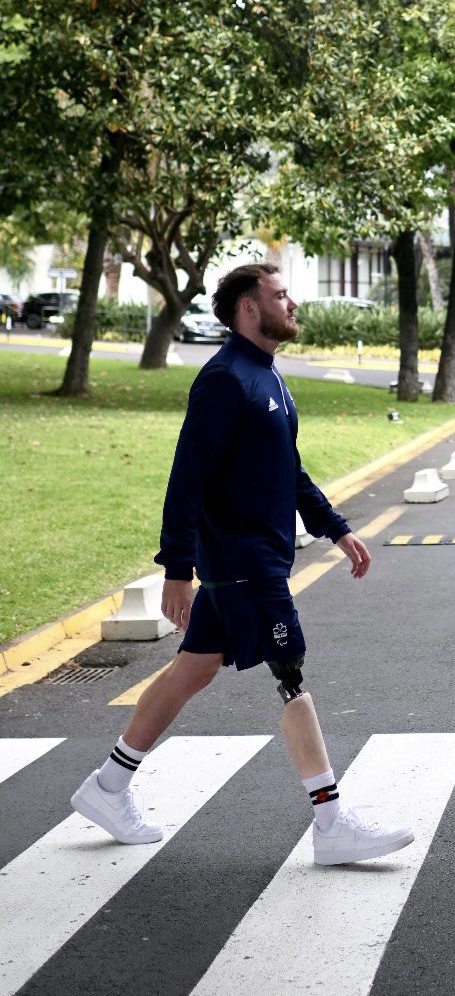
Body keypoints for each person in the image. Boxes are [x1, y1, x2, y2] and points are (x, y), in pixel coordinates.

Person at [71, 262, 414, 864]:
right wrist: (179, 568)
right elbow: (188, 477)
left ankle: (107, 786)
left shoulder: (267, 378)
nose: (293, 303)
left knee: (193, 670)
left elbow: (289, 468)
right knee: (290, 670)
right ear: (250, 309)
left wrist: (335, 528)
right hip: (243, 563)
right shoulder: (225, 380)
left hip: (253, 559)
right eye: (281, 295)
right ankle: (331, 822)